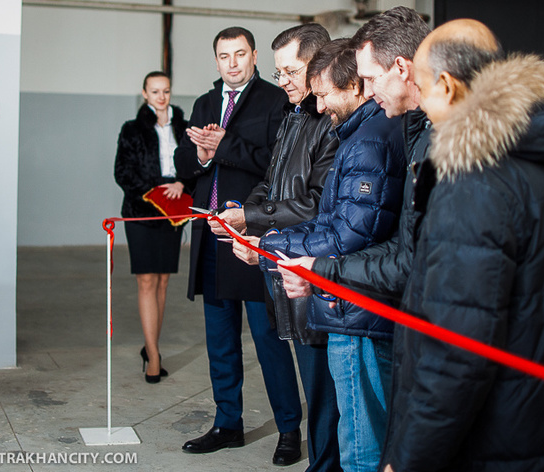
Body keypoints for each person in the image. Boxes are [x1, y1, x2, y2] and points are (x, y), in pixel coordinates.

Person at [379, 19, 544, 471]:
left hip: (499, 439)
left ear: (447, 86)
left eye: (422, 87)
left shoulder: (475, 182)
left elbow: (456, 355)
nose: (417, 101)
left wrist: (406, 460)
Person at [261, 38, 406, 471]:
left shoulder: (368, 142)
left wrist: (269, 246)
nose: (319, 105)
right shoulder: (361, 135)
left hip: (357, 311)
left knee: (361, 443)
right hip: (350, 300)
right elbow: (333, 221)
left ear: (356, 86)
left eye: (324, 94)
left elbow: (348, 237)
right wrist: (274, 242)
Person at [173, 27, 302, 465]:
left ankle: (289, 429)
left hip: (252, 236)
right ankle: (227, 423)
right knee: (220, 341)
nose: (232, 63)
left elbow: (276, 163)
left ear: (254, 56)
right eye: (224, 56)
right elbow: (184, 163)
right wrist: (203, 155)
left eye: (240, 54)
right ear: (216, 61)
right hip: (210, 236)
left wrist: (224, 145)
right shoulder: (205, 103)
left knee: (268, 338)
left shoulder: (275, 100)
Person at [219, 24, 342, 472]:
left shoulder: (331, 123)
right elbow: (270, 182)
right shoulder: (293, 116)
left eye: (291, 71)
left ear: (319, 65)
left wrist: (255, 220)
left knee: (326, 393)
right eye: (279, 73)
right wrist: (243, 212)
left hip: (313, 271)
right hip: (284, 265)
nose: (284, 81)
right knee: (313, 384)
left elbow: (316, 203)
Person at [277, 7, 431, 307]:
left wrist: (328, 272)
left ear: (401, 67)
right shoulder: (415, 129)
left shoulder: (391, 138)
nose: (367, 91)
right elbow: (404, 246)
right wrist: (330, 273)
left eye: (371, 78)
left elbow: (406, 260)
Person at [114, 71, 187, 384]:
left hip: (173, 212)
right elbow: (122, 172)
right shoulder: (131, 129)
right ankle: (154, 355)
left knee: (163, 282)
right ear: (144, 94)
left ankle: (150, 345)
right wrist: (157, 191)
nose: (161, 97)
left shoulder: (184, 127)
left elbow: (195, 165)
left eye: (165, 91)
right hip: (141, 211)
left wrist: (182, 183)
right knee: (146, 280)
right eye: (154, 91)